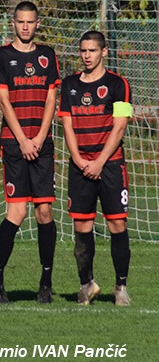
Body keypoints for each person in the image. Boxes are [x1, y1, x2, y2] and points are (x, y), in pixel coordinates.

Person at [0, 1, 60, 304]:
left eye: (30, 22)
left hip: (42, 144)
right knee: (16, 212)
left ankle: (45, 283)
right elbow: (3, 102)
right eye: (20, 22)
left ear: (38, 23)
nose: (25, 27)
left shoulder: (47, 55)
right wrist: (24, 140)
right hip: (15, 145)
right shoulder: (1, 55)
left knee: (44, 212)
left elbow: (51, 97)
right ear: (12, 23)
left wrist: (40, 138)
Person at [58, 31, 132, 306]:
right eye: (83, 50)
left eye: (92, 50)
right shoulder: (69, 85)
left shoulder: (118, 84)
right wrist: (78, 159)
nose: (87, 55)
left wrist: (100, 161)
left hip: (110, 166)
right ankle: (87, 284)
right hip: (80, 166)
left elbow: (120, 126)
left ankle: (120, 287)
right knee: (82, 225)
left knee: (116, 223)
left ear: (104, 52)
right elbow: (66, 124)